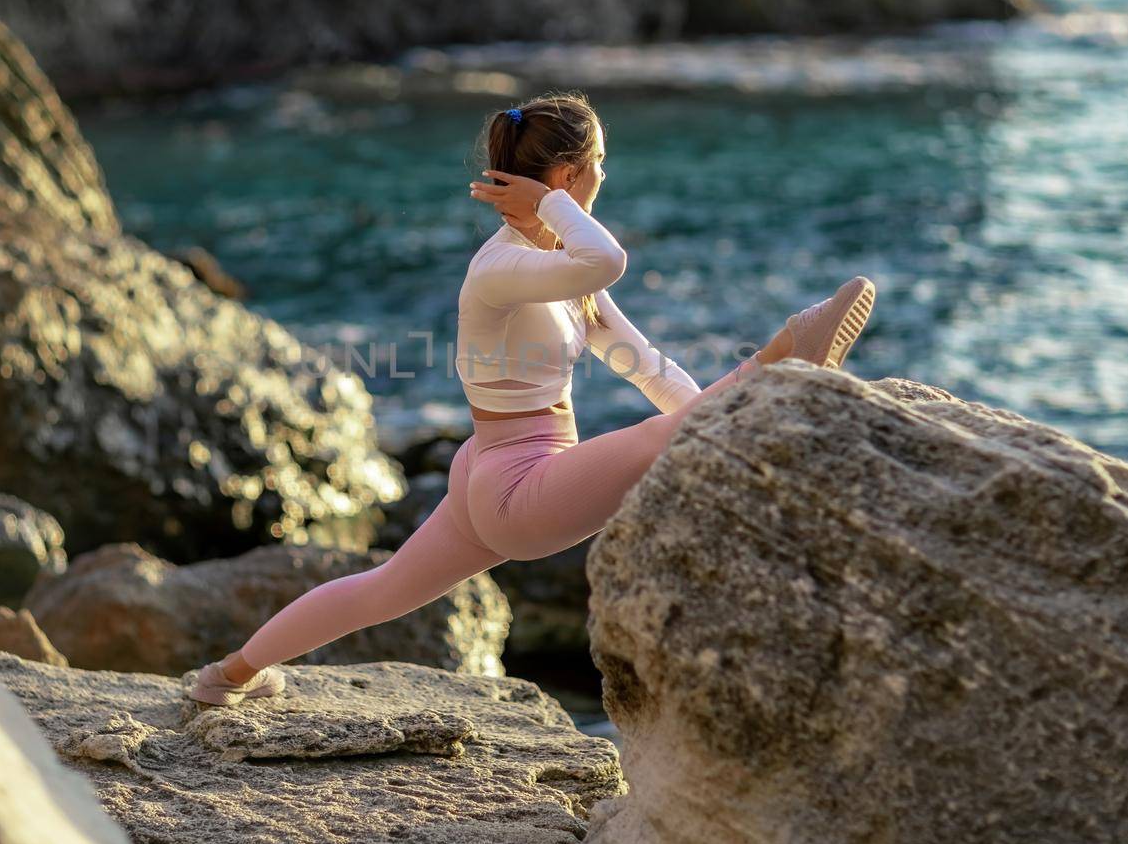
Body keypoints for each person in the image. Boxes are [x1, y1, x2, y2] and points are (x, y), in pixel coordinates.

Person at [185, 90, 874, 705]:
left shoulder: (553, 268)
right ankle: (783, 350)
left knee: (381, 590)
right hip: (520, 483)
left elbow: (648, 367)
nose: (606, 175)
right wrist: (551, 206)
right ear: (569, 177)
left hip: (496, 467)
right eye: (598, 162)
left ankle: (229, 674)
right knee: (645, 440)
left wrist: (706, 426)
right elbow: (610, 257)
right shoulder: (504, 266)